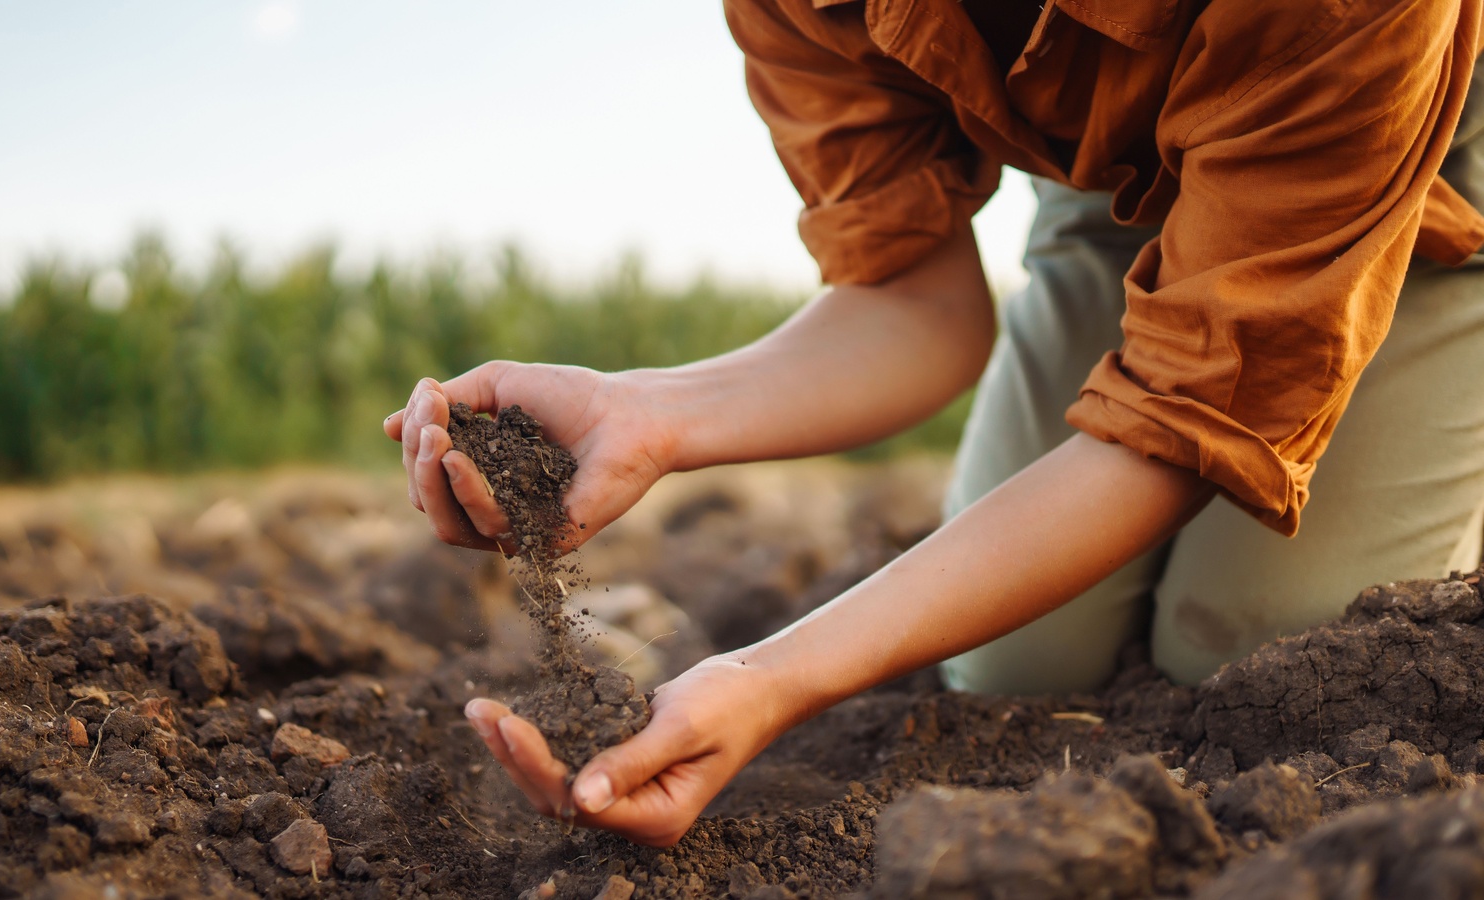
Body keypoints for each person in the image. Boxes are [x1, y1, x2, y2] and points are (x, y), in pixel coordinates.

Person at [384, 0, 1484, 847]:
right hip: (1112, 185)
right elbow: (914, 302)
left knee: (1264, 650)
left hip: (1409, 166)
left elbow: (1196, 413)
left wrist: (776, 676)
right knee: (1015, 664)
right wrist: (649, 411)